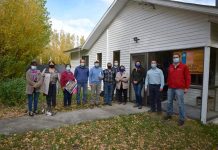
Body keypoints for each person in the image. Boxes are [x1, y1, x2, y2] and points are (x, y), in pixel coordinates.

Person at [164, 53, 191, 126]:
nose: (175, 58)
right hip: (170, 88)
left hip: (179, 88)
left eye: (176, 57)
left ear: (179, 58)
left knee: (180, 104)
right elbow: (169, 77)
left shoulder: (184, 66)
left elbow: (187, 77)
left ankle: (182, 119)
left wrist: (186, 87)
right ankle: (169, 114)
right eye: (174, 57)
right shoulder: (171, 66)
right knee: (169, 102)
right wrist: (168, 84)